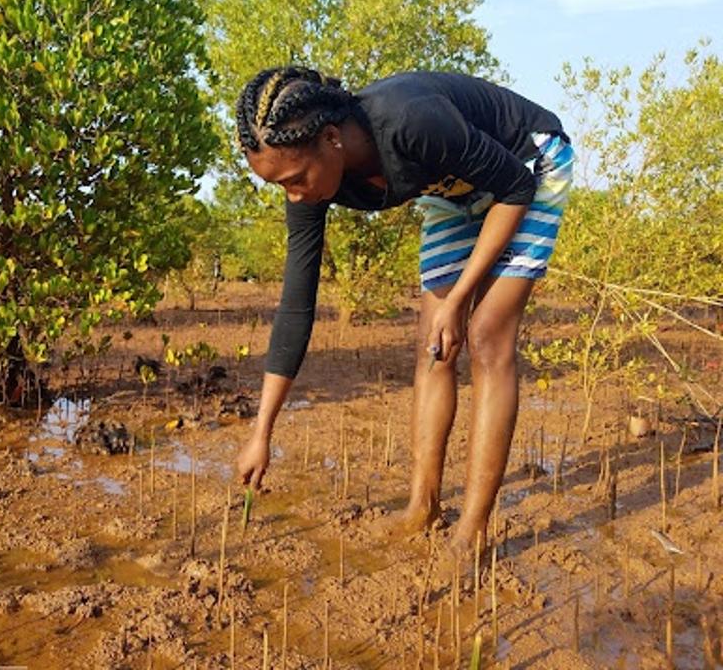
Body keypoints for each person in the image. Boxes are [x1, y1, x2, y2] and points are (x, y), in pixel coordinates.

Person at [233, 67, 574, 555]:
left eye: (296, 180)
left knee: (486, 335)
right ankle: (423, 507)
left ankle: (472, 533)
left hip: (526, 163)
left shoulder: (411, 120)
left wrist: (458, 300)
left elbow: (515, 187)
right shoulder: (310, 175)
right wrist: (261, 432)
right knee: (434, 346)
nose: (295, 196)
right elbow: (296, 302)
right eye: (281, 186)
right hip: (453, 187)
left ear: (331, 139)